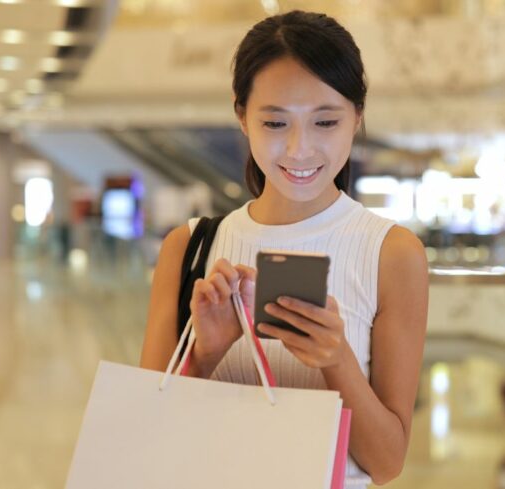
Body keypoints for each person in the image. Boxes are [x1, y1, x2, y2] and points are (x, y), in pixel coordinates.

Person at [139, 11, 429, 488]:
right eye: (275, 122)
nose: (299, 149)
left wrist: (336, 361)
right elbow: (147, 433)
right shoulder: (189, 247)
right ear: (242, 117)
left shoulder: (391, 253)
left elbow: (386, 463)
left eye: (325, 121)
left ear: (357, 117)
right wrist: (206, 353)